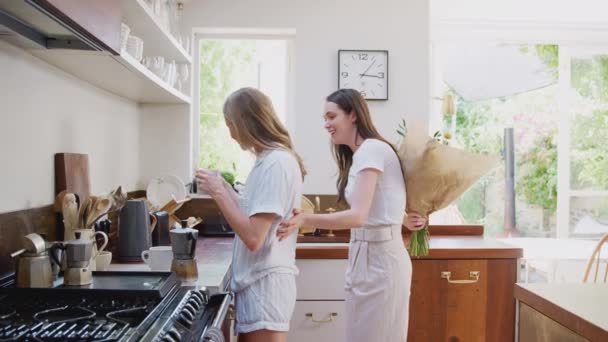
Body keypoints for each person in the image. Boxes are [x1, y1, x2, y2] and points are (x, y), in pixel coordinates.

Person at [276, 88, 425, 342]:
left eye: (331, 116)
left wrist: (305, 219)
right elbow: (382, 201)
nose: (326, 124)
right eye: (325, 118)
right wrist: (401, 218)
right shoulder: (362, 154)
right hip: (365, 255)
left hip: (381, 261)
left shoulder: (372, 149)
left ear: (353, 115)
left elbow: (357, 216)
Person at [196, 87, 305, 342]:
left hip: (266, 289)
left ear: (244, 123)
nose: (231, 134)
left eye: (230, 125)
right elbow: (250, 210)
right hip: (258, 287)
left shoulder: (277, 163)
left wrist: (219, 193)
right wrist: (221, 186)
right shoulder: (268, 160)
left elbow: (254, 237)